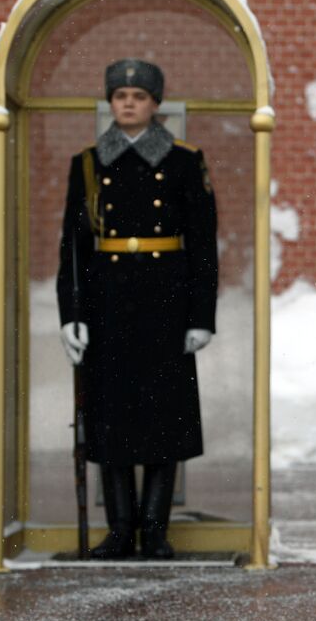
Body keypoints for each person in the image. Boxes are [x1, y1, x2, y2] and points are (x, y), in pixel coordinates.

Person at [56, 59, 219, 561]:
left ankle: (156, 532)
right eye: (120, 95)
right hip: (108, 304)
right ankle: (120, 531)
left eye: (139, 95)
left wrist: (200, 316)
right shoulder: (88, 163)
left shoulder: (185, 161)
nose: (128, 102)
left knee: (162, 421)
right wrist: (72, 313)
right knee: (111, 420)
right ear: (110, 102)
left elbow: (204, 245)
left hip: (165, 301)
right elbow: (74, 250)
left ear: (155, 104)